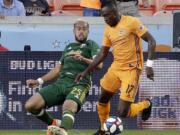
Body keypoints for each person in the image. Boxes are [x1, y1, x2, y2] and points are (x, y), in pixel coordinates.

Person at [75, 1, 156, 135]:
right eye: (103, 16)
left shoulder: (132, 22)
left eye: (107, 16)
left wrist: (149, 66)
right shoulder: (108, 28)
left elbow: (152, 42)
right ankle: (103, 130)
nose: (106, 19)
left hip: (132, 70)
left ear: (116, 12)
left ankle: (146, 104)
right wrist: (85, 71)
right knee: (102, 99)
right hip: (116, 67)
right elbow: (102, 53)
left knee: (123, 112)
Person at [25, 19, 102, 135]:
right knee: (30, 105)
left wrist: (83, 58)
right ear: (74, 31)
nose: (81, 31)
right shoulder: (68, 47)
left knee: (68, 106)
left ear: (88, 31)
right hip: (61, 83)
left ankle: (63, 131)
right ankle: (53, 123)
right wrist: (38, 81)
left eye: (84, 29)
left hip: (80, 83)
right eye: (79, 29)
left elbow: (99, 65)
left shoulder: (91, 44)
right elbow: (57, 70)